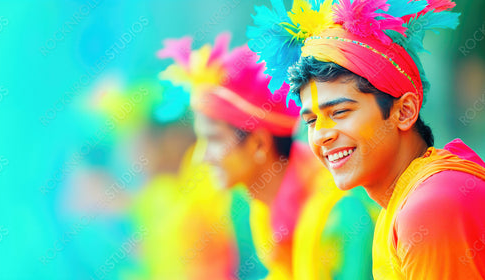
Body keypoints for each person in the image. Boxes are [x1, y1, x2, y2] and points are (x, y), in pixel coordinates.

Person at [247, 0, 485, 279]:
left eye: (340, 112)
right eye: (311, 121)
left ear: (404, 112)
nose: (322, 135)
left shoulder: (429, 205)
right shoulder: (397, 207)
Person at [159, 32, 378, 279]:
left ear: (260, 145)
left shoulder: (341, 215)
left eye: (213, 140)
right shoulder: (262, 213)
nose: (201, 158)